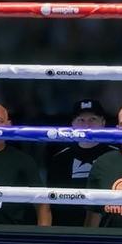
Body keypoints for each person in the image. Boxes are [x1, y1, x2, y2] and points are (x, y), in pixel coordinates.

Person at [46, 97, 109, 226]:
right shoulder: (60, 159)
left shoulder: (114, 156)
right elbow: (51, 203)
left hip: (105, 231)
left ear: (103, 122)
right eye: (81, 120)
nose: (87, 125)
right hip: (67, 230)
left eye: (93, 119)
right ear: (72, 124)